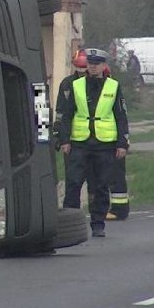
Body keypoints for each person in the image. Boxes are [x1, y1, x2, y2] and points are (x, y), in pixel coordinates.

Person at [59, 48, 129, 237]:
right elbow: (67, 114)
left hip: (104, 143)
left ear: (104, 66)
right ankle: (69, 224)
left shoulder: (113, 86)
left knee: (100, 185)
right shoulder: (76, 85)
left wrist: (122, 143)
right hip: (79, 142)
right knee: (73, 183)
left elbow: (121, 116)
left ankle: (98, 224)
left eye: (97, 64)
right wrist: (64, 140)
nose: (93, 67)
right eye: (90, 64)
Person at [102, 64, 130, 220]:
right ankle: (107, 207)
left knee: (116, 176)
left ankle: (120, 209)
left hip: (114, 141)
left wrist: (122, 143)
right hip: (101, 141)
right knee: (103, 177)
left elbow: (121, 118)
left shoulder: (113, 90)